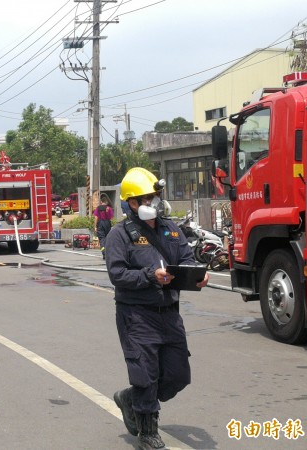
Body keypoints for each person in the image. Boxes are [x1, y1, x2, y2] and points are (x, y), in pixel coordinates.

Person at [105, 167, 209, 450]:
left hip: (170, 315)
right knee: (145, 376)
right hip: (136, 316)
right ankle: (148, 432)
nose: (152, 203)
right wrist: (150, 276)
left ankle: (130, 399)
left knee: (177, 376)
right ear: (131, 203)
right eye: (145, 198)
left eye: (154, 196)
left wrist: (197, 275)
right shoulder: (120, 235)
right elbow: (117, 275)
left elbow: (186, 259)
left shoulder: (171, 229)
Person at [93, 195, 114, 259]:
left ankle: (104, 253)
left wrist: (95, 226)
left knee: (102, 238)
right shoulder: (109, 208)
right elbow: (111, 218)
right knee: (107, 238)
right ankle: (107, 253)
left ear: (101, 202)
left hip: (101, 224)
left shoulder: (98, 208)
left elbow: (96, 218)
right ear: (107, 202)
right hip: (107, 223)